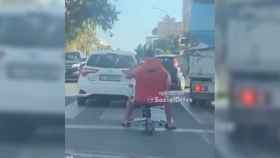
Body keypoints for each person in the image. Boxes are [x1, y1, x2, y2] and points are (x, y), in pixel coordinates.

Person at [122, 51, 176, 130]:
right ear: (155, 57)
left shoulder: (140, 68)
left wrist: (134, 68)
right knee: (167, 101)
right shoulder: (161, 69)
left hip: (140, 99)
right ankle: (169, 123)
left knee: (131, 101)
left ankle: (126, 121)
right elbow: (168, 82)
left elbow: (128, 76)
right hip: (158, 99)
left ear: (145, 58)